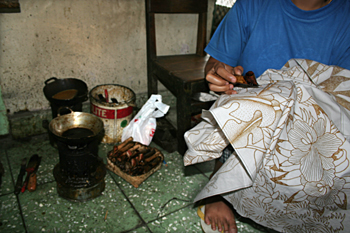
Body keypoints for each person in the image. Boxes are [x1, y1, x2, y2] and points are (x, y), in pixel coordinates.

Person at [201, 0, 350, 232]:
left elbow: (342, 98)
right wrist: (218, 72)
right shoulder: (251, 5)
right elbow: (216, 62)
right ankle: (219, 190)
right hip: (249, 121)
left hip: (310, 127)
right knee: (232, 114)